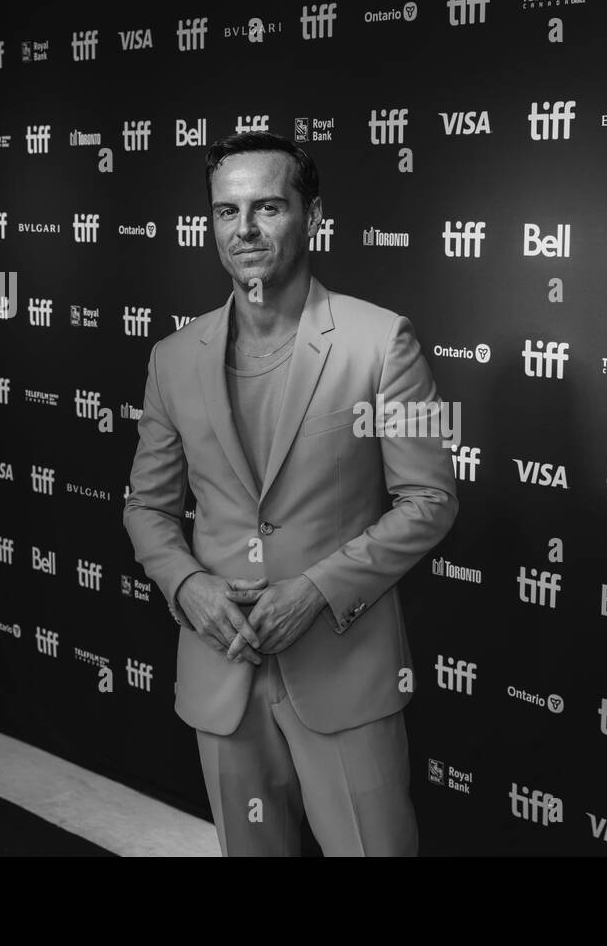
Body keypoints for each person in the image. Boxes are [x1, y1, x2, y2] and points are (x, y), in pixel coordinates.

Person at [122, 131, 458, 856]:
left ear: (313, 216)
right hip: (223, 673)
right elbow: (146, 506)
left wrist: (314, 590)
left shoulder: (383, 341)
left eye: (267, 207)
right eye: (225, 210)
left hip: (343, 673)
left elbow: (430, 500)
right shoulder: (173, 359)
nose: (244, 230)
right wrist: (187, 589)